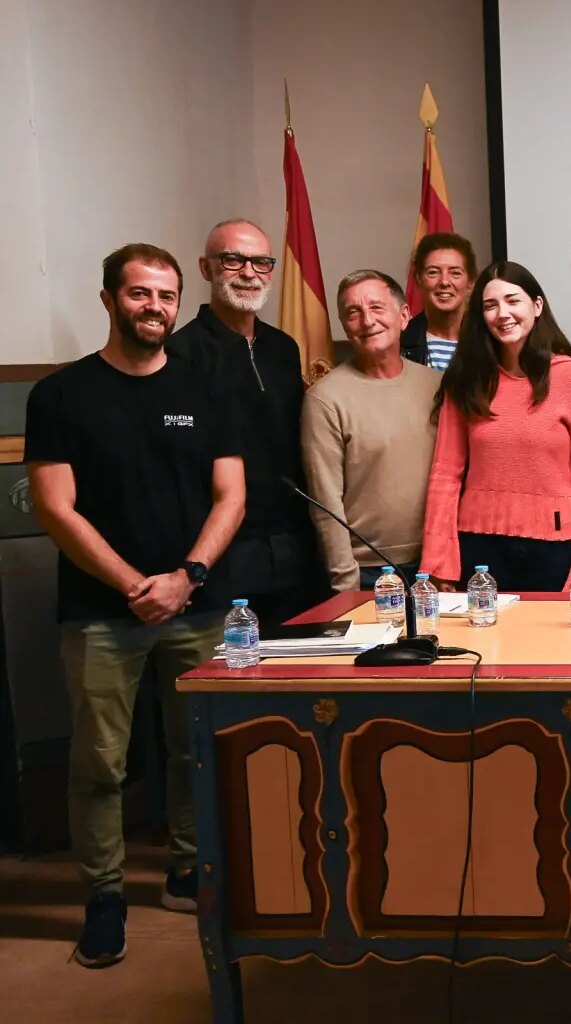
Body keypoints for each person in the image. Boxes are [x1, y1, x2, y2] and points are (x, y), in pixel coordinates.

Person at [26, 244, 245, 966]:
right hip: (99, 613)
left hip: (197, 605)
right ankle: (105, 899)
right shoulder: (60, 396)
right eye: (140, 294)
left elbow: (231, 495)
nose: (155, 307)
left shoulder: (205, 387)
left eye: (166, 295)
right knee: (99, 763)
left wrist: (186, 575)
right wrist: (133, 585)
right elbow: (58, 510)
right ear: (109, 299)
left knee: (197, 753)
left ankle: (186, 869)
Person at [168, 218, 325, 625]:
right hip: (224, 551)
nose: (249, 273)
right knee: (234, 675)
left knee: (300, 675)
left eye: (261, 262)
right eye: (234, 260)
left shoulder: (284, 349)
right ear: (206, 269)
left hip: (293, 546)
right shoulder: (179, 354)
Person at [420, 262, 571, 591]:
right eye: (490, 306)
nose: (502, 313)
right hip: (479, 548)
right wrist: (438, 561)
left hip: (556, 550)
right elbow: (445, 474)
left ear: (537, 306)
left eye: (512, 300)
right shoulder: (466, 380)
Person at [301, 270, 439, 590]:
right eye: (353, 313)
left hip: (437, 563)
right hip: (368, 571)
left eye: (376, 307)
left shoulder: (437, 386)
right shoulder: (324, 399)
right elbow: (325, 504)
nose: (366, 320)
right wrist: (346, 584)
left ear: (403, 316)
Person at [400, 231, 475, 370]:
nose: (445, 282)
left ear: (470, 283)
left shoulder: (490, 342)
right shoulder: (399, 343)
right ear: (418, 280)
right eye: (433, 272)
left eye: (455, 273)